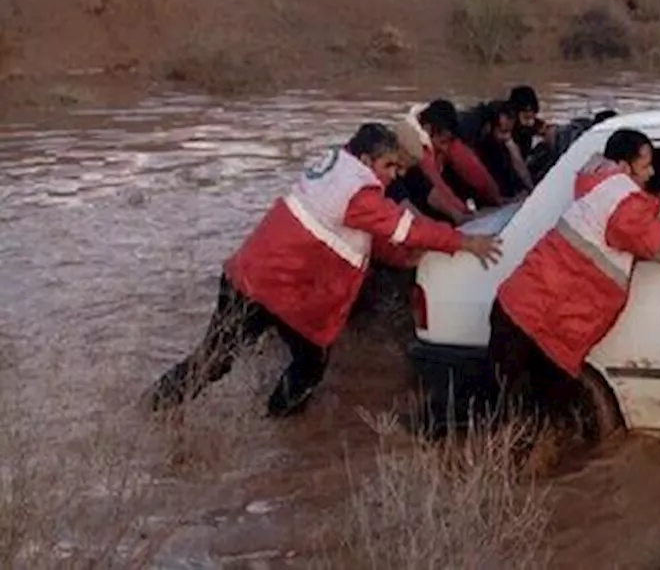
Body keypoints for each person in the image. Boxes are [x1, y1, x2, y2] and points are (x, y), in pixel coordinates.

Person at [146, 121, 503, 418]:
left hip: (259, 280)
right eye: (389, 167)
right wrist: (463, 242)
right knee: (230, 363)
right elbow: (405, 227)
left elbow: (361, 233)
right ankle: (260, 424)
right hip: (271, 288)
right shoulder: (359, 191)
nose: (394, 177)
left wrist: (401, 258)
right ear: (366, 159)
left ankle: (172, 413)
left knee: (253, 361)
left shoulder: (337, 169)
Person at [485, 127, 660, 425]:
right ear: (625, 168)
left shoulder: (606, 188)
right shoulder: (622, 208)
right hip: (537, 325)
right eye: (645, 165)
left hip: (527, 314)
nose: (652, 172)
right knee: (513, 417)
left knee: (521, 413)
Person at [416, 99, 505, 214]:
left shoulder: (445, 138)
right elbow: (437, 184)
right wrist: (462, 211)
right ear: (427, 129)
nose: (445, 148)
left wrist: (496, 197)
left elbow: (474, 170)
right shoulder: (418, 146)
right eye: (442, 143)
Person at [508, 85, 555, 160]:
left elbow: (547, 129)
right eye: (526, 116)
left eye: (532, 114)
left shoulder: (534, 125)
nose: (530, 122)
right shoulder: (507, 128)